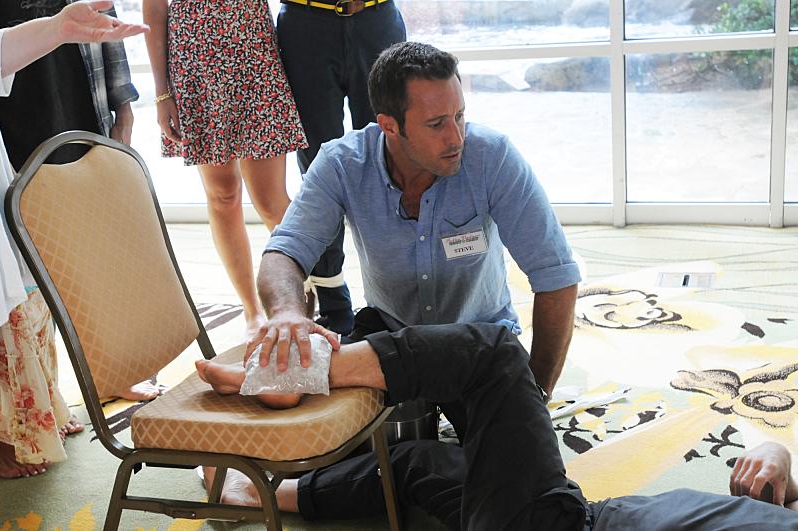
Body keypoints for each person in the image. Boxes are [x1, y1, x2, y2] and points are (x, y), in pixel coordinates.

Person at [253, 41, 579, 424]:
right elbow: (284, 252)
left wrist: (537, 392)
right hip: (389, 343)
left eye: (459, 116)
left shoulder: (492, 157)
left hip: (481, 347)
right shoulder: (342, 163)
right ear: (389, 125)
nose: (456, 137)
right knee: (324, 439)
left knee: (519, 455)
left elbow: (556, 276)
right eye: (436, 124)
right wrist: (286, 312)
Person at [197, 323, 798, 529]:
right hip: (589, 516)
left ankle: (300, 372)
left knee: (493, 355)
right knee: (422, 463)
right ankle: (264, 494)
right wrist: (777, 455)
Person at [0, 0, 148, 479]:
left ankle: (109, 370)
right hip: (14, 100)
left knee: (83, 245)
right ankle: (34, 407)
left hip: (66, 75)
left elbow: (100, 18)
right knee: (31, 263)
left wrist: (123, 105)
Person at [142, 0, 308, 341]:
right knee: (223, 195)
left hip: (253, 52)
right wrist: (162, 92)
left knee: (271, 201)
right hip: (195, 60)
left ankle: (303, 300)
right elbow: (154, 8)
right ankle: (251, 311)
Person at [275, 0, 407, 335]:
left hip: (377, 18)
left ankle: (397, 299)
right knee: (318, 168)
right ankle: (334, 306)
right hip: (305, 24)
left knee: (391, 158)